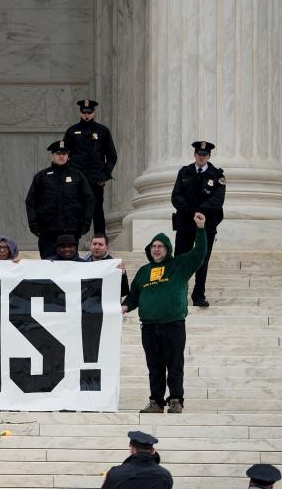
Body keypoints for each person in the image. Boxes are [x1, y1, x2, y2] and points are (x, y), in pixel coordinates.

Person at [122, 212, 209, 414]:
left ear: (167, 249)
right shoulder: (144, 271)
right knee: (154, 366)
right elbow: (134, 295)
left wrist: (201, 229)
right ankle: (156, 401)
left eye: (160, 246)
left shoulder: (179, 265)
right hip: (149, 326)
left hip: (173, 324)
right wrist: (126, 306)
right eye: (153, 246)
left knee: (174, 364)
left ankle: (176, 399)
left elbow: (199, 253)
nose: (156, 249)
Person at [170, 140, 225, 307]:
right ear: (195, 155)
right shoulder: (184, 172)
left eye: (205, 155)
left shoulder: (217, 175)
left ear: (209, 156)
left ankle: (199, 295)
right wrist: (192, 212)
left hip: (206, 225)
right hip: (185, 223)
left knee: (202, 260)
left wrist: (201, 211)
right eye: (199, 155)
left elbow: (218, 200)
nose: (202, 157)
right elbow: (176, 196)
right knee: (180, 259)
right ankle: (177, 294)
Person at [26, 139, 94, 259]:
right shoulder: (42, 176)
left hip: (71, 230)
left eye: (64, 154)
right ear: (52, 156)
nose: (61, 156)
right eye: (58, 153)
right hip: (47, 230)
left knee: (70, 266)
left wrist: (86, 222)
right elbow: (31, 201)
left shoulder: (77, 176)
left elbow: (89, 199)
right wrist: (33, 223)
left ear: (68, 156)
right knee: (48, 265)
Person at [64, 99, 118, 235]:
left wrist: (104, 176)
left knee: (97, 210)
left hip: (95, 179)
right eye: (84, 112)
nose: (86, 115)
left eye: (89, 112)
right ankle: (72, 242)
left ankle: (100, 240)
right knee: (74, 210)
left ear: (94, 112)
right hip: (77, 179)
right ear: (80, 112)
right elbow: (64, 155)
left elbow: (112, 156)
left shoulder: (102, 131)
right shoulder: (72, 131)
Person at [84, 233, 130, 299]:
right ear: (90, 246)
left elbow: (123, 292)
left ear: (107, 247)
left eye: (100, 244)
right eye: (94, 244)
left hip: (104, 306)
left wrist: (123, 275)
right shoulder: (83, 263)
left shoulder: (115, 266)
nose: (97, 247)